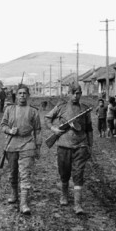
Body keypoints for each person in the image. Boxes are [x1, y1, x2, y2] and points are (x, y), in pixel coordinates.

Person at [45, 84, 93, 214]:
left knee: (79, 174)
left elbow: (89, 129)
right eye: (74, 93)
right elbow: (48, 118)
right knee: (64, 172)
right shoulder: (61, 107)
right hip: (64, 146)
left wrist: (90, 146)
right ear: (69, 93)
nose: (76, 96)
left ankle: (78, 205)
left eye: (79, 93)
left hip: (80, 146)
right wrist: (54, 129)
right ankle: (64, 195)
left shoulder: (85, 109)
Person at [1, 85, 42, 215]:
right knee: (13, 172)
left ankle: (24, 203)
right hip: (12, 144)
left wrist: (38, 146)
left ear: (28, 95)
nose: (22, 95)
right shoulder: (9, 109)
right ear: (16, 95)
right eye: (20, 93)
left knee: (25, 174)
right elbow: (3, 125)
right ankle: (14, 194)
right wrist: (9, 130)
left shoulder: (33, 111)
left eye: (25, 93)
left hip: (27, 144)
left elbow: (38, 130)